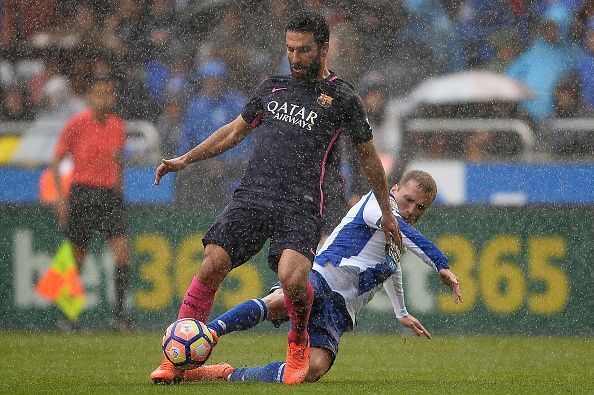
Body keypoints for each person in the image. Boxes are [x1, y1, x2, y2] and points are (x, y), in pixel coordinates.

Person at [151, 9, 401, 385]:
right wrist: (186, 159)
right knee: (212, 262)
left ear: (324, 48)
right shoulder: (271, 88)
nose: (295, 58)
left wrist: (387, 210)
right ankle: (177, 358)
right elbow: (233, 132)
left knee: (293, 280)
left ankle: (297, 339)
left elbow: (368, 159)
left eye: (303, 50)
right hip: (254, 195)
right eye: (290, 50)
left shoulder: (343, 98)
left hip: (302, 204)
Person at [178, 170, 462, 384]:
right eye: (408, 200)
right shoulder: (378, 205)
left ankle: (225, 375)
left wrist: (401, 311)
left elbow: (392, 266)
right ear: (394, 189)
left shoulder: (395, 233)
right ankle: (205, 334)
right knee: (279, 300)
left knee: (309, 370)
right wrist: (440, 264)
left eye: (420, 207)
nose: (412, 210)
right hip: (322, 277)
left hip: (340, 309)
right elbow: (403, 234)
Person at [50, 75, 132, 331]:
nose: (103, 98)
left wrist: (120, 195)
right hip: (82, 193)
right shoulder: (76, 123)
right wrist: (61, 200)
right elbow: (56, 161)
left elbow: (118, 163)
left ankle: (119, 317)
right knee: (77, 258)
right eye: (98, 93)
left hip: (109, 195)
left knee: (122, 253)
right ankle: (69, 318)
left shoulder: (118, 125)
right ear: (89, 97)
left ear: (113, 97)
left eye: (108, 93)